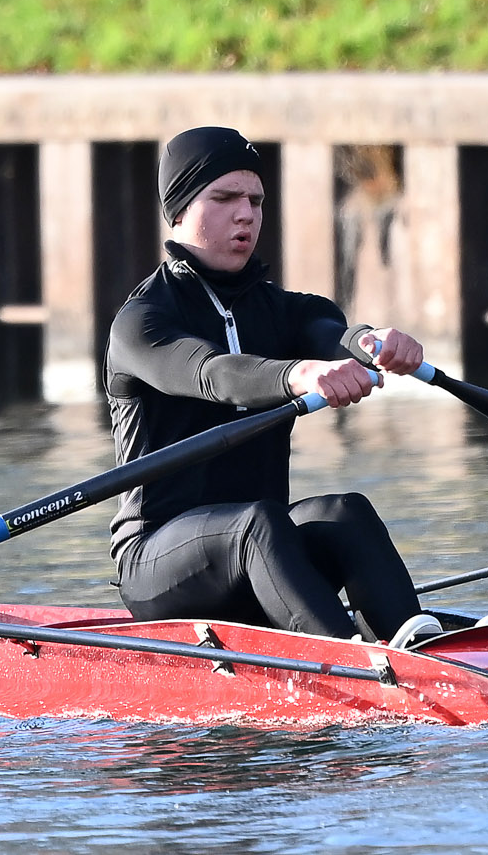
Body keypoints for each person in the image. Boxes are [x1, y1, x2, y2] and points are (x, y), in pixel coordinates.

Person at [104, 125, 427, 642]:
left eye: (255, 200)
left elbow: (330, 333)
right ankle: (354, 666)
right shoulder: (142, 322)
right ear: (182, 209)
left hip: (261, 556)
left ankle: (420, 649)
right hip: (158, 564)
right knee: (259, 523)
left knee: (346, 513)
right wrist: (299, 374)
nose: (246, 214)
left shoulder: (284, 309)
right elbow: (212, 373)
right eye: (225, 197)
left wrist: (374, 342)